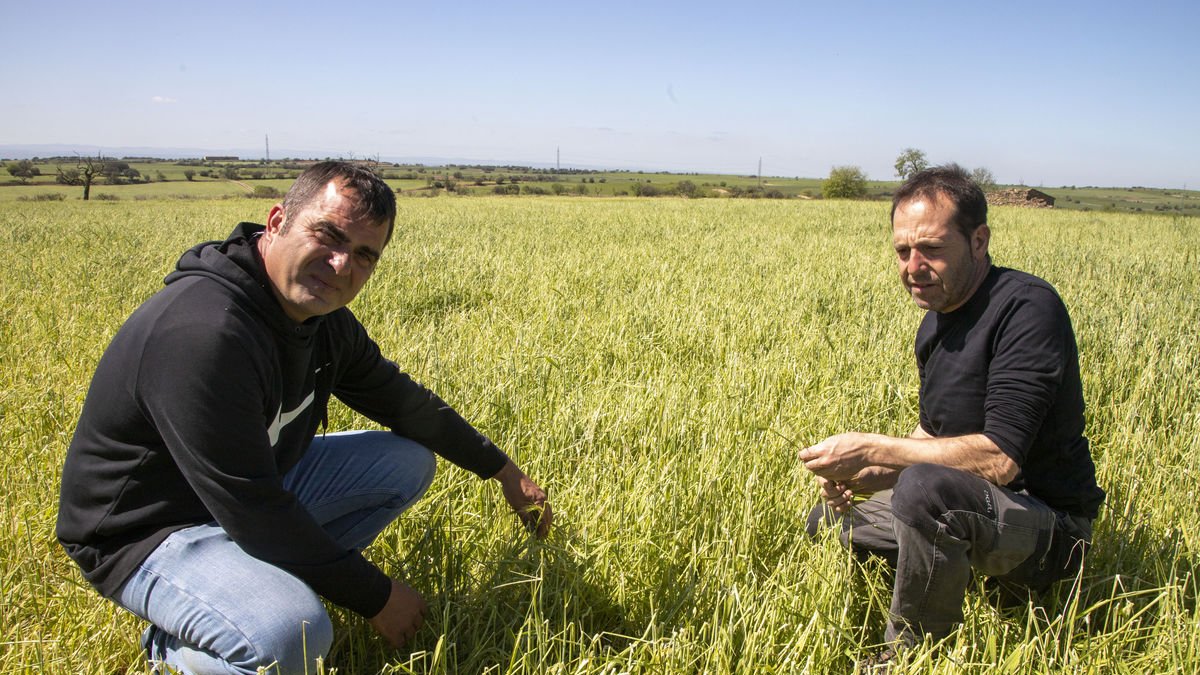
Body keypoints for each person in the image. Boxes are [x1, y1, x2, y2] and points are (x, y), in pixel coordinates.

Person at [56, 161, 553, 674]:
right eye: (328, 235)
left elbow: (401, 401)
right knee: (294, 633)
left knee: (405, 463)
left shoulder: (322, 322)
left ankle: (254, 588)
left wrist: (501, 470)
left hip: (248, 492)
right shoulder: (204, 334)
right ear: (277, 222)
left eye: (363, 255)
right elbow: (254, 509)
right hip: (148, 530)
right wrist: (376, 596)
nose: (340, 265)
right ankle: (172, 648)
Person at [799, 164, 1104, 667]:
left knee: (925, 490)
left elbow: (999, 461)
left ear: (978, 241)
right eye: (903, 251)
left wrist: (873, 447)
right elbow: (931, 436)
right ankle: (949, 577)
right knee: (832, 520)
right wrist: (863, 476)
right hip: (975, 507)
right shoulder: (935, 323)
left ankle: (911, 656)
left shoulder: (1026, 310)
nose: (913, 266)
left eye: (931, 249)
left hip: (1049, 528)